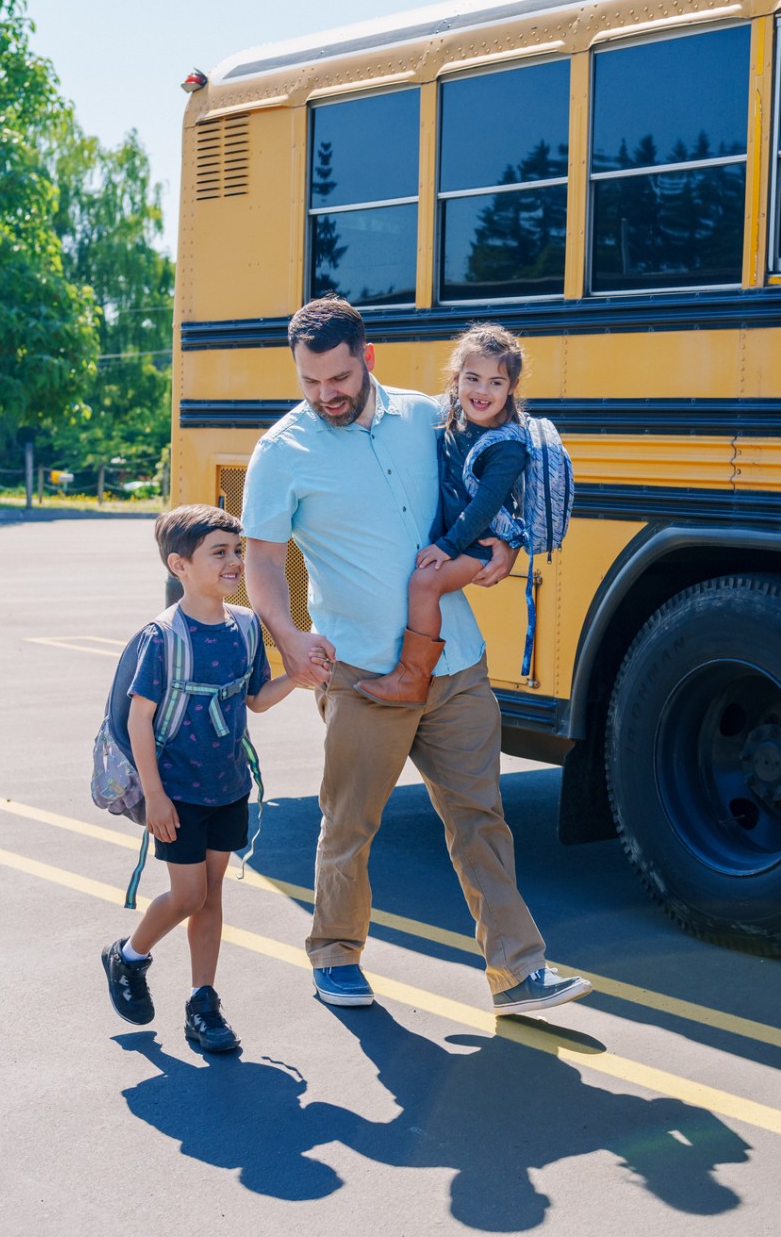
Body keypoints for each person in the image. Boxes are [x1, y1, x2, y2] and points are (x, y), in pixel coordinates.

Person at [243, 296, 592, 1018]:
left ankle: (517, 971)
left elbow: (492, 480)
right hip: (362, 669)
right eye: (309, 382)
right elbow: (263, 560)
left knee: (481, 818)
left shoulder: (428, 417)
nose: (324, 395)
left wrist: (503, 543)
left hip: (455, 662)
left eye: (337, 378)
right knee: (349, 822)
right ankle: (335, 953)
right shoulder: (282, 451)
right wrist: (288, 634)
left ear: (366, 359)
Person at [101, 505, 300, 1053]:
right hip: (179, 792)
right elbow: (140, 720)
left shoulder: (245, 627)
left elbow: (255, 701)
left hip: (229, 786)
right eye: (220, 553)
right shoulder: (162, 636)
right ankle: (129, 955)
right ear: (179, 565)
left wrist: (297, 677)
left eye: (236, 551)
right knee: (188, 896)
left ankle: (203, 1002)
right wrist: (157, 798)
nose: (235, 562)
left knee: (211, 896)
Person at [356, 323, 530, 708]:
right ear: (456, 378)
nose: (481, 392)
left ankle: (412, 678)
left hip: (478, 543)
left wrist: (448, 546)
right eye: (472, 378)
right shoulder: (451, 413)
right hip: (456, 537)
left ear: (511, 388)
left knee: (424, 584)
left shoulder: (507, 446)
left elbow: (485, 505)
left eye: (495, 383)